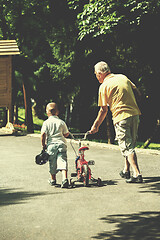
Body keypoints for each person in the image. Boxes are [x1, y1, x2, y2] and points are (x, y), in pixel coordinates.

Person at [89, 61, 143, 183]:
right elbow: (137, 92)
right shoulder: (123, 77)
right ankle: (126, 170)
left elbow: (103, 110)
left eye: (96, 74)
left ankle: (137, 174)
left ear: (99, 73)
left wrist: (95, 126)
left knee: (127, 147)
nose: (96, 77)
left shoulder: (104, 86)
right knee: (130, 144)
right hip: (134, 114)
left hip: (121, 117)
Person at [41, 102, 70, 188]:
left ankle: (53, 179)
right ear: (57, 112)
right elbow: (66, 134)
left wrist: (43, 145)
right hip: (61, 144)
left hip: (51, 145)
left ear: (47, 112)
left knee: (52, 162)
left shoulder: (46, 123)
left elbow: (43, 135)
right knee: (62, 160)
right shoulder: (61, 122)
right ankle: (64, 178)